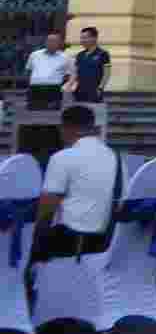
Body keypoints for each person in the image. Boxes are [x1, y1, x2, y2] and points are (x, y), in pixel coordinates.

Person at [35, 102, 119, 263]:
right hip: (109, 243)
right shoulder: (118, 158)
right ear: (92, 127)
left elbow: (46, 210)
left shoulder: (62, 158)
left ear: (65, 128)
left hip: (73, 244)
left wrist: (35, 247)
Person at [24, 30, 69, 112]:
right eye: (49, 40)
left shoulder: (65, 57)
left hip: (54, 90)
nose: (51, 43)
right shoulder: (34, 55)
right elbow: (28, 71)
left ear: (60, 43)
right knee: (33, 115)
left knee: (52, 116)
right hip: (35, 90)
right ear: (45, 42)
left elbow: (67, 76)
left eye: (54, 41)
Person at [70, 26, 110, 106]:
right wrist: (69, 84)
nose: (82, 40)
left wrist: (100, 88)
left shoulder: (103, 54)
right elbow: (75, 73)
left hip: (94, 91)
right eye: (81, 38)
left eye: (85, 38)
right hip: (79, 91)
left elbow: (107, 73)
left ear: (94, 38)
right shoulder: (80, 55)